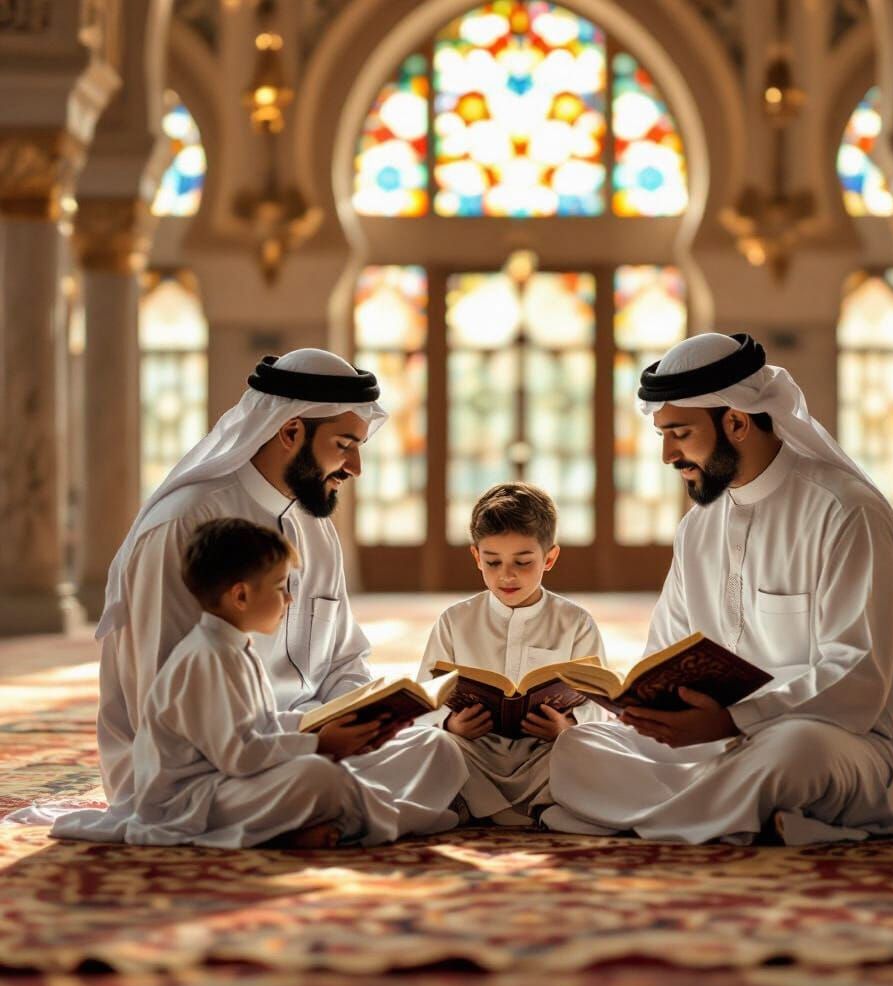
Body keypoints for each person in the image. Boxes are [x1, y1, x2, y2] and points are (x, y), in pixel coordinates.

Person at [544, 332, 893, 844]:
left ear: (737, 422)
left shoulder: (846, 513)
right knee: (580, 746)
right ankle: (740, 816)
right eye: (663, 435)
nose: (667, 455)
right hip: (719, 740)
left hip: (855, 743)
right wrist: (645, 710)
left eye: (679, 433)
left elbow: (856, 677)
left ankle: (687, 810)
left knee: (792, 754)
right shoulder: (698, 529)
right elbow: (667, 650)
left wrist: (733, 722)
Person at [53, 349, 466, 844]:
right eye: (344, 445)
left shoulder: (315, 528)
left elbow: (343, 662)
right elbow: (156, 692)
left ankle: (327, 816)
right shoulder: (184, 524)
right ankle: (336, 813)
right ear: (291, 432)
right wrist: (308, 744)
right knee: (325, 779)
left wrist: (369, 722)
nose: (355, 466)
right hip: (208, 764)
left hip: (304, 742)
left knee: (438, 748)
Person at [126, 519, 402, 848]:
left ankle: (317, 829)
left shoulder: (234, 648)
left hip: (225, 783)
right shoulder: (208, 658)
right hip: (190, 800)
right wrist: (320, 744)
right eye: (280, 587)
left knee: (328, 773)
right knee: (319, 774)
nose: (288, 599)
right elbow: (239, 756)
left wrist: (322, 724)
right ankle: (381, 824)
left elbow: (264, 724)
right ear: (240, 595)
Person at [417, 483, 607, 826]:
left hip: (545, 752)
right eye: (493, 562)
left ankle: (515, 808)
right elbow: (425, 700)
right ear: (476, 557)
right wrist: (451, 724)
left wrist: (567, 726)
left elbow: (599, 703)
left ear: (549, 558)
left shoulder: (576, 623)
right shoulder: (454, 621)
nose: (507, 575)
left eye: (523, 562)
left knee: (594, 749)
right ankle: (525, 811)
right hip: (474, 750)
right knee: (433, 746)